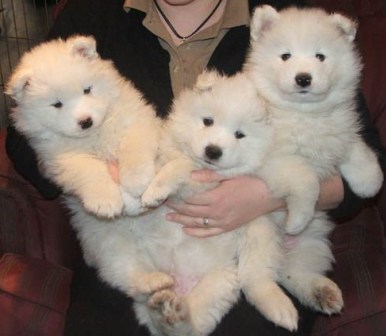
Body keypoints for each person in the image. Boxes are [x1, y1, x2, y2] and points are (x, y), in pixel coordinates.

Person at [5, 0, 385, 335]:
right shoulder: (94, 13)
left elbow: (365, 165)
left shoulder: (282, 20)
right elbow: (23, 134)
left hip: (247, 243)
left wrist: (266, 196)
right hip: (134, 237)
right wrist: (94, 172)